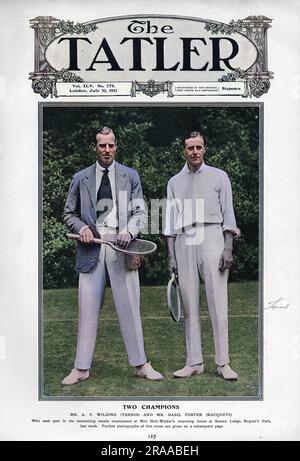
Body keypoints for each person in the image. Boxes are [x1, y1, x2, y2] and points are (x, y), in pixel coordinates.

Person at [61, 126, 163, 385]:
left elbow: (140, 213)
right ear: (95, 147)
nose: (106, 150)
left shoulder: (131, 175)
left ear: (116, 147)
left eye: (111, 145)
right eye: (102, 145)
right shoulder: (80, 177)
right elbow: (68, 213)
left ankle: (141, 364)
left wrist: (129, 231)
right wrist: (82, 228)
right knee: (87, 309)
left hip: (122, 247)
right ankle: (81, 368)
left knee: (130, 307)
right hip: (91, 247)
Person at [164, 131, 239, 380]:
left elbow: (228, 214)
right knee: (190, 306)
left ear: (204, 149)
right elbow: (170, 222)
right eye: (190, 148)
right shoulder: (174, 182)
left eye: (198, 147)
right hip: (184, 240)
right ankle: (194, 362)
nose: (194, 152)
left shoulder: (220, 176)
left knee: (218, 303)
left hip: (212, 237)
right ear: (183, 151)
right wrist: (171, 256)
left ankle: (223, 363)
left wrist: (228, 247)